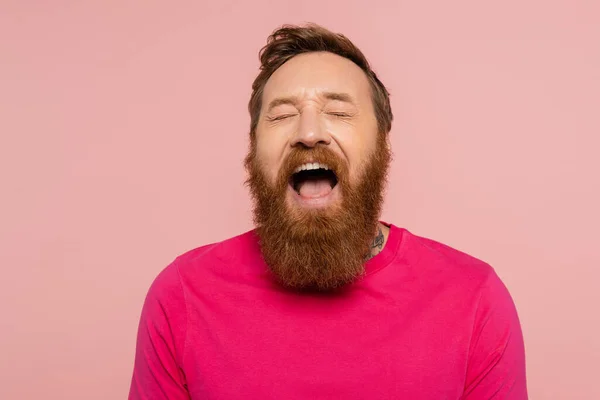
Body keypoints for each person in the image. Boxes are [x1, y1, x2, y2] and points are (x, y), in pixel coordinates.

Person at [129, 23, 527, 399]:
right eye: (283, 115)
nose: (308, 133)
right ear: (253, 150)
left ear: (382, 146)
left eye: (338, 112)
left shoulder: (474, 300)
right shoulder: (181, 296)